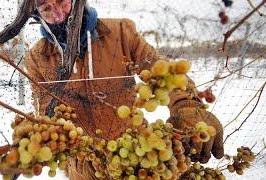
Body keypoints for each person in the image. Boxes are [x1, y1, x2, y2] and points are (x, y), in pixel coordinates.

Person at [25, 0, 224, 179]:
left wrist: (186, 105)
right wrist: (84, 163)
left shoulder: (120, 32)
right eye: (46, 9)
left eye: (62, 2)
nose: (58, 15)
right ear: (37, 15)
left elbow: (161, 71)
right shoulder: (37, 59)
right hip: (85, 166)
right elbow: (48, 121)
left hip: (139, 150)